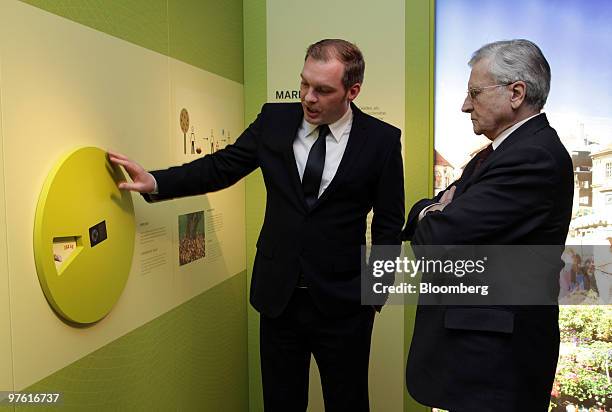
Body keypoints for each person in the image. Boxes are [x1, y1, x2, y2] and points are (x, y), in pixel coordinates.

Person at [109, 39, 405, 411]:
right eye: (304, 84)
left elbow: (389, 223)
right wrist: (156, 182)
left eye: (323, 90)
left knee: (347, 403)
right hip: (278, 298)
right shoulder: (274, 121)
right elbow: (222, 167)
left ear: (352, 91)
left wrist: (374, 295)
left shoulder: (381, 140)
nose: (308, 97)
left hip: (344, 305)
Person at [402, 39, 573, 411]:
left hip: (494, 365)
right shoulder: (496, 154)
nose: (465, 105)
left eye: (474, 93)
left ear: (516, 93)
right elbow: (437, 217)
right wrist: (434, 209)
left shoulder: (533, 157)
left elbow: (437, 241)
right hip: (478, 358)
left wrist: (427, 212)